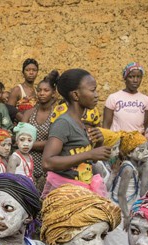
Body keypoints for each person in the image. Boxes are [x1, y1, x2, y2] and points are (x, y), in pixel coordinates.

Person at [43, 69, 110, 197]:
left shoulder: (81, 123)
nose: (96, 95)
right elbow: (47, 162)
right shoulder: (63, 123)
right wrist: (89, 154)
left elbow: (86, 161)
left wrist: (99, 143)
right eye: (92, 90)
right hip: (66, 192)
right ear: (76, 95)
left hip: (82, 189)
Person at [100, 131, 148, 245]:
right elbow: (121, 195)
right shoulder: (128, 169)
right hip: (120, 212)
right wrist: (127, 216)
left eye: (146, 148)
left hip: (124, 211)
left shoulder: (133, 167)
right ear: (129, 152)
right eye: (140, 150)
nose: (145, 153)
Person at [19, 70, 59, 191]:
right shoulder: (29, 113)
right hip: (28, 164)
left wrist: (28, 145)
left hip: (48, 166)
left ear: (53, 93)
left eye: (46, 90)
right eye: (39, 90)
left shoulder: (56, 114)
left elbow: (53, 143)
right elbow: (19, 139)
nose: (41, 93)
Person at [103, 62, 148, 133]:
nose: (135, 80)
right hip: (117, 140)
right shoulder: (113, 98)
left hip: (138, 141)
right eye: (131, 77)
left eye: (138, 77)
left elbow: (146, 125)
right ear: (125, 78)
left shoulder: (145, 99)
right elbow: (106, 125)